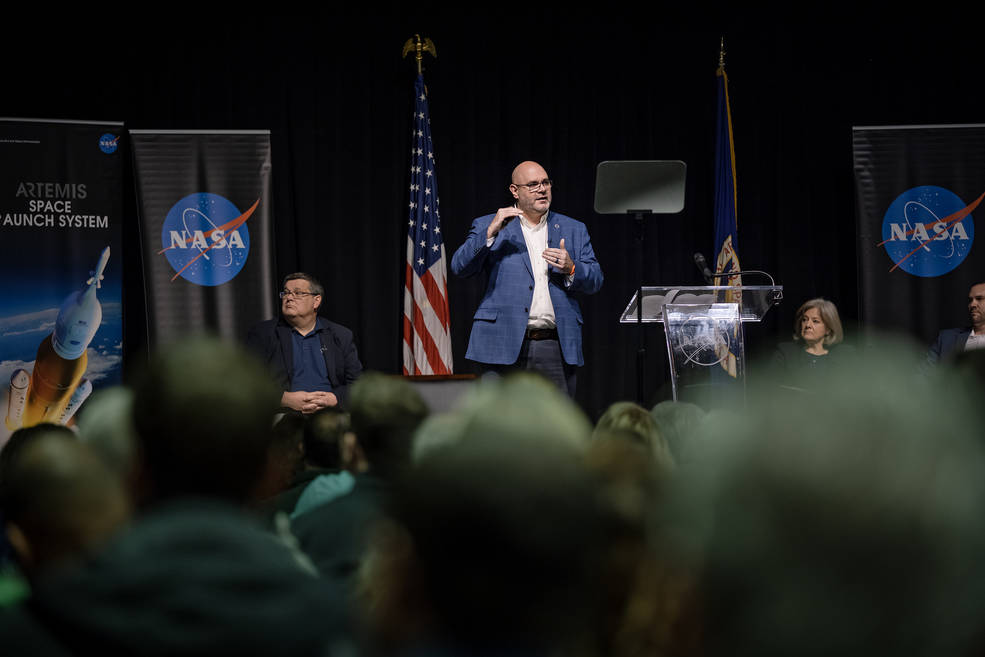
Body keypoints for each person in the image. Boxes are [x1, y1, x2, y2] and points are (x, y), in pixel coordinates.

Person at [451, 161, 603, 397]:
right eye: (533, 185)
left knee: (556, 429)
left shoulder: (574, 229)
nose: (542, 189)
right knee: (499, 427)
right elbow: (460, 267)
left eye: (545, 183)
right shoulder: (490, 224)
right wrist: (490, 233)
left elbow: (595, 280)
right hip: (501, 343)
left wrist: (572, 268)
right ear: (515, 191)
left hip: (554, 345)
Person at [246, 272, 362, 412]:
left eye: (298, 293)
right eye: (286, 293)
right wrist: (284, 399)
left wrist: (335, 399)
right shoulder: (263, 333)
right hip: (283, 413)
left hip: (331, 414)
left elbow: (358, 384)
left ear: (316, 301)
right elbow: (248, 383)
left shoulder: (340, 335)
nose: (289, 297)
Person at [772, 298, 852, 383]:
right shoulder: (785, 352)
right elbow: (770, 387)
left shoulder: (845, 355)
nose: (808, 325)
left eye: (815, 321)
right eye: (804, 320)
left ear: (828, 329)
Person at [925, 281, 985, 367]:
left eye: (979, 298)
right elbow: (922, 375)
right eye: (970, 300)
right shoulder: (946, 338)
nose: (972, 304)